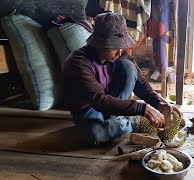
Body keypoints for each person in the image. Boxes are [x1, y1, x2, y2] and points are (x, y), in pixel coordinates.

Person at [63, 12, 181, 146]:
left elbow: (140, 83)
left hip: (113, 101)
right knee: (95, 135)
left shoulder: (119, 54)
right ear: (99, 43)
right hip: (89, 108)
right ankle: (135, 121)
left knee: (129, 66)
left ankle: (118, 119)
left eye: (121, 46)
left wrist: (158, 102)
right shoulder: (78, 63)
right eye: (114, 47)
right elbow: (99, 100)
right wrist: (142, 109)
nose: (119, 52)